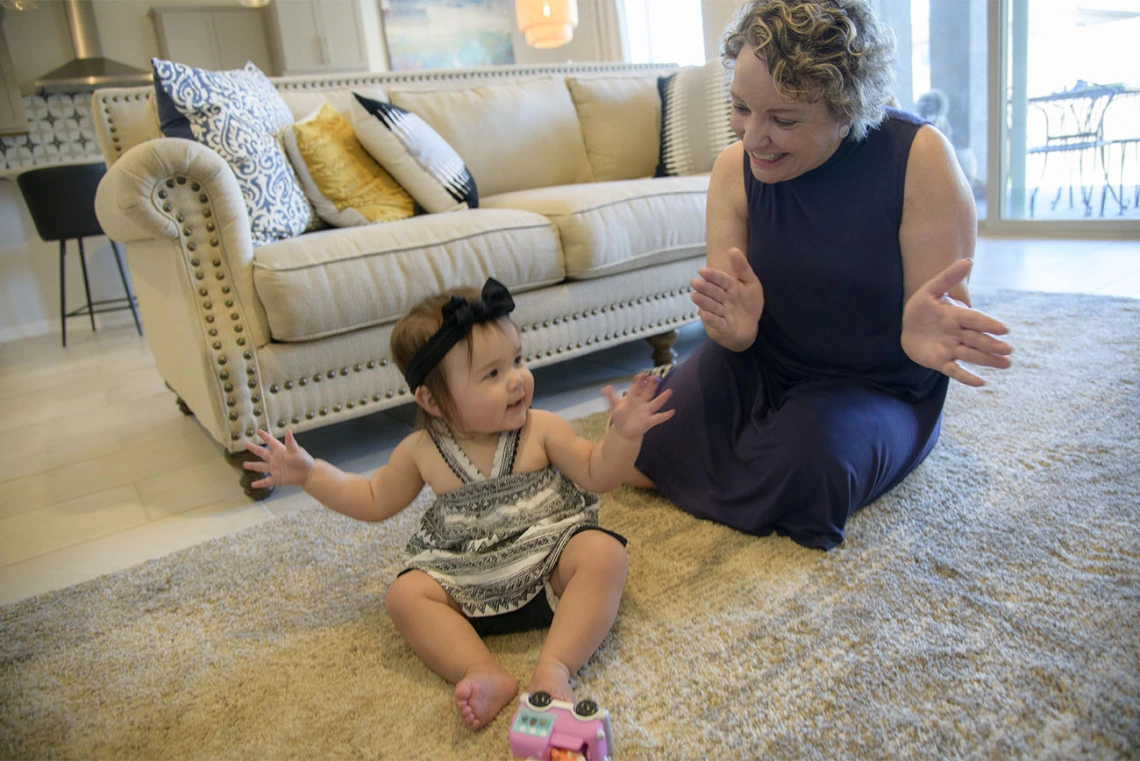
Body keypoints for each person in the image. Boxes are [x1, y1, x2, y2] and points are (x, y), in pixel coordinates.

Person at [625, 0, 1013, 550]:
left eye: (782, 119)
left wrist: (919, 330)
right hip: (762, 361)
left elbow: (934, 309)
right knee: (641, 439)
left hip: (878, 385)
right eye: (741, 109)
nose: (753, 137)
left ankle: (808, 447)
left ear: (847, 109)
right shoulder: (734, 170)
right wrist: (732, 330)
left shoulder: (919, 158)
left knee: (812, 471)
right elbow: (728, 326)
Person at [242, 278, 673, 730]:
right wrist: (311, 474)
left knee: (605, 554)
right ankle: (480, 669)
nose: (517, 380)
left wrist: (623, 437)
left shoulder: (541, 428)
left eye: (518, 360)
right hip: (466, 577)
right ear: (432, 400)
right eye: (492, 374)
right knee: (404, 596)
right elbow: (371, 498)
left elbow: (597, 473)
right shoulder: (422, 450)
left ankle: (556, 666)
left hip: (548, 566)